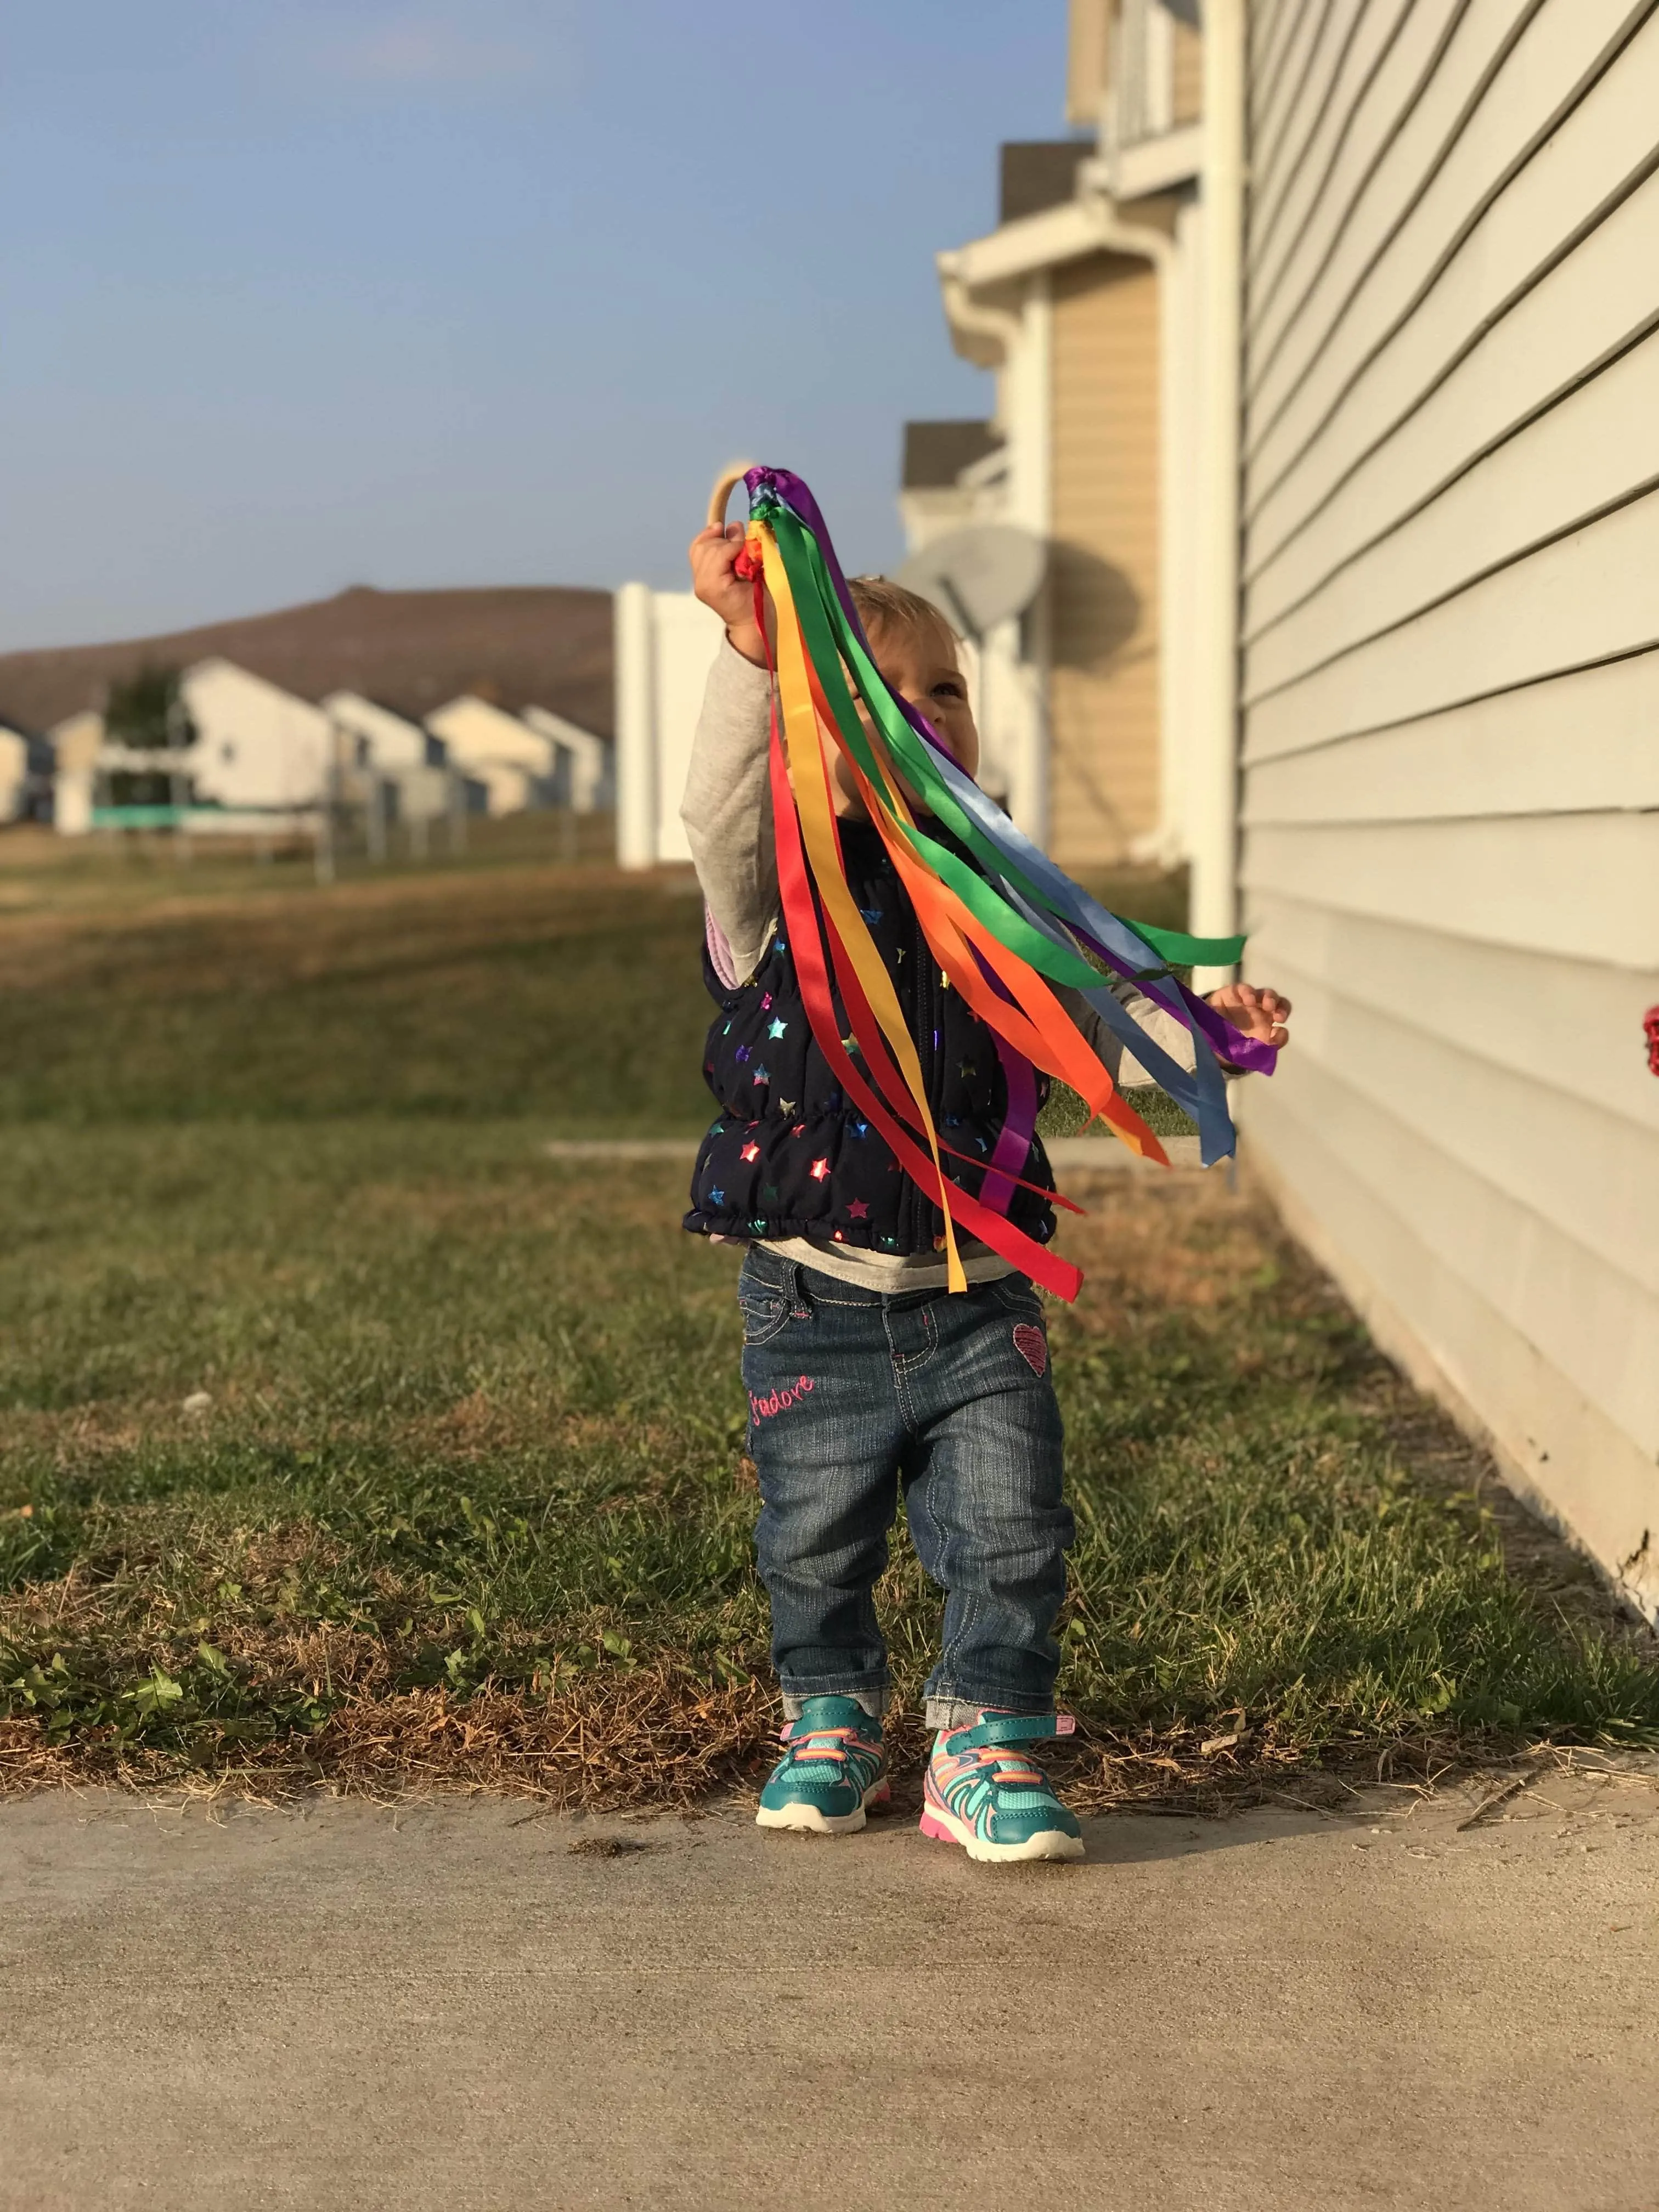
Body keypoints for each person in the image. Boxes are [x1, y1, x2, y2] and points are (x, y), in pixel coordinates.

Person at [680, 517, 1291, 1863]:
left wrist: (1204, 1021)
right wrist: (750, 648)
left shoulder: (998, 897)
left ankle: (987, 1744)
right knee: (812, 1539)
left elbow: (1095, 1000)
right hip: (813, 1303)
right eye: (875, 698)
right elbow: (718, 805)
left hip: (980, 1295)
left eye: (945, 688)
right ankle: (830, 1713)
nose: (923, 712)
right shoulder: (768, 900)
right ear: (803, 731)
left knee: (1012, 1534)